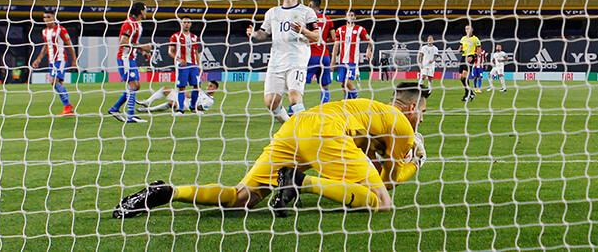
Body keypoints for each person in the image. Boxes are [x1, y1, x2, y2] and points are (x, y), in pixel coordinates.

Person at [112, 82, 428, 219]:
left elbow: (369, 162)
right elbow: (389, 182)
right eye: (422, 114)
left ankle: (170, 191)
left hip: (296, 126)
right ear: (411, 107)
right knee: (382, 205)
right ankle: (299, 182)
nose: (421, 120)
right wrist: (413, 163)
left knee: (242, 198)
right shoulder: (402, 124)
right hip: (325, 134)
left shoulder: (371, 110)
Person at [247, 0, 320, 123]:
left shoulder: (306, 11)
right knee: (271, 102)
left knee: (294, 98)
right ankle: (289, 126)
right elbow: (263, 33)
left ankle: (304, 131)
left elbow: (316, 37)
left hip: (297, 60)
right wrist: (254, 34)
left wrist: (303, 30)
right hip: (276, 61)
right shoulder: (272, 13)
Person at [107, 2, 152, 123]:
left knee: (136, 85)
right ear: (141, 11)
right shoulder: (129, 24)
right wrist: (143, 46)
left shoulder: (138, 25)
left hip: (131, 58)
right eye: (145, 10)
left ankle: (115, 109)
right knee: (133, 85)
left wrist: (143, 52)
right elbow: (124, 42)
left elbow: (134, 42)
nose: (146, 12)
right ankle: (130, 116)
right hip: (124, 58)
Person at [31, 10, 78, 116]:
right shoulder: (44, 32)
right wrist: (38, 59)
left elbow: (69, 44)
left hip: (60, 59)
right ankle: (68, 109)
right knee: (59, 84)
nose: (46, 19)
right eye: (44, 17)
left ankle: (68, 106)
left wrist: (74, 60)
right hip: (51, 61)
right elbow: (45, 46)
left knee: (54, 81)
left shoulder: (61, 30)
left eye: (48, 17)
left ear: (53, 18)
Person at [332, 10, 373, 100]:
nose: (350, 17)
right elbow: (336, 46)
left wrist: (368, 49)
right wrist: (333, 61)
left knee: (348, 83)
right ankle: (348, 102)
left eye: (352, 15)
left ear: (355, 18)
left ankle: (356, 100)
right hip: (342, 61)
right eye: (348, 15)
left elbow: (370, 41)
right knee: (343, 84)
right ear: (345, 17)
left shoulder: (360, 29)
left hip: (352, 61)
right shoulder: (340, 30)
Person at [168, 17, 202, 113]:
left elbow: (196, 53)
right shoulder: (175, 36)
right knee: (182, 87)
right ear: (181, 24)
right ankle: (181, 109)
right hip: (182, 65)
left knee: (197, 86)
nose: (186, 24)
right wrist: (179, 59)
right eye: (184, 22)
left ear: (190, 24)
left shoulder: (194, 37)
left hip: (193, 64)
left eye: (188, 22)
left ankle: (193, 107)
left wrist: (199, 65)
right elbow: (170, 52)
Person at [306, 0, 336, 104]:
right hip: (325, 56)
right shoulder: (328, 19)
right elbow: (333, 38)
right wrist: (324, 41)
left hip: (312, 55)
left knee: (300, 82)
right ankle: (324, 107)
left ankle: (293, 110)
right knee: (325, 85)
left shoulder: (308, 19)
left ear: (310, 6)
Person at [137, 80, 219, 114]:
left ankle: (148, 110)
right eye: (208, 85)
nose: (208, 87)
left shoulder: (210, 101)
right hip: (184, 98)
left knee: (171, 103)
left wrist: (191, 98)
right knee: (165, 89)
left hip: (187, 106)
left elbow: (199, 108)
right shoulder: (201, 91)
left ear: (215, 89)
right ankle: (147, 102)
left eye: (210, 86)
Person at [458, 25, 481, 102]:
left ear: (472, 30)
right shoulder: (463, 38)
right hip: (463, 57)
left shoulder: (475, 39)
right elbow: (461, 48)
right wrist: (460, 50)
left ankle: (467, 94)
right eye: (466, 29)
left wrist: (473, 56)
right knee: (461, 77)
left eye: (468, 29)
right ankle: (471, 93)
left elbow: (479, 50)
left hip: (470, 57)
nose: (467, 30)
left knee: (465, 75)